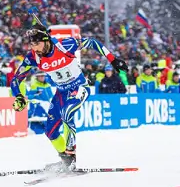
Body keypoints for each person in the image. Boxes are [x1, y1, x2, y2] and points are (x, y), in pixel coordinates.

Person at [10, 21, 128, 170]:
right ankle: (66, 160)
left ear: (45, 40)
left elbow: (92, 42)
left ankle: (71, 156)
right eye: (31, 45)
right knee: (50, 131)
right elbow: (16, 79)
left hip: (79, 87)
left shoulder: (65, 45)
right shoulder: (33, 57)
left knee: (67, 112)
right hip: (61, 92)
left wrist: (113, 59)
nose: (34, 48)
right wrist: (19, 96)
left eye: (36, 44)